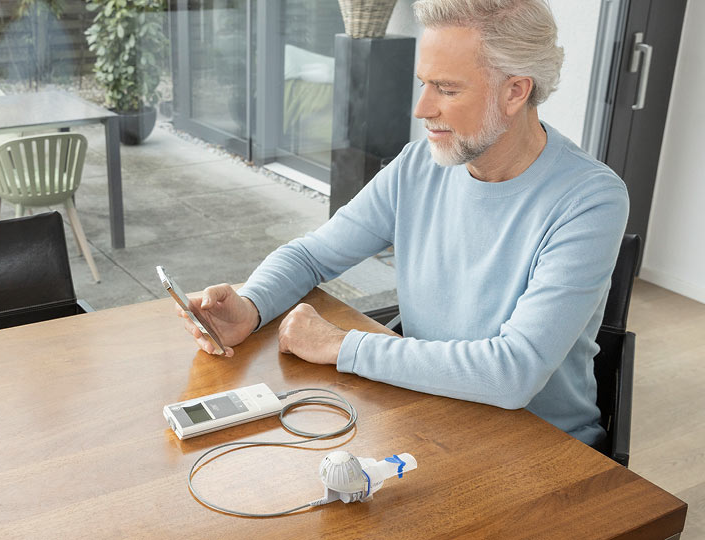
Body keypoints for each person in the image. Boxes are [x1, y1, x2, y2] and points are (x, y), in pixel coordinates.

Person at [177, 0, 629, 446]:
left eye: (447, 89)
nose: (422, 109)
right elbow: (311, 255)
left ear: (515, 91)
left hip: (542, 449)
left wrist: (341, 345)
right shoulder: (419, 166)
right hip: (427, 417)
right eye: (423, 84)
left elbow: (513, 374)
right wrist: (251, 306)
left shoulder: (589, 199)